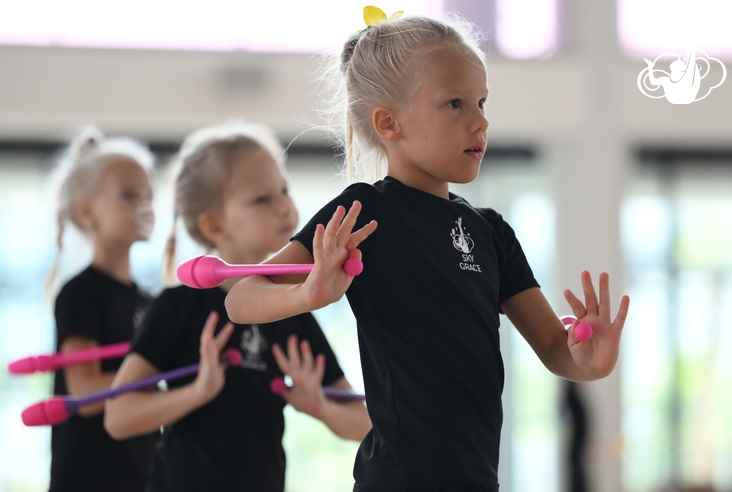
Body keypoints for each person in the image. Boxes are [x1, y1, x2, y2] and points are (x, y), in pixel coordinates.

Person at [225, 11, 631, 492]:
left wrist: (590, 361)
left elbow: (553, 348)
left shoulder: (492, 232)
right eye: (455, 104)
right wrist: (309, 294)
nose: (480, 121)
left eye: (481, 102)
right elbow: (241, 296)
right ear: (389, 123)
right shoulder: (362, 210)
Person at [104, 122, 371, 492]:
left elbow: (366, 425)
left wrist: (320, 407)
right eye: (262, 199)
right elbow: (119, 417)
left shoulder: (293, 309)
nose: (284, 207)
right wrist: (197, 392)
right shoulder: (178, 307)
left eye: (284, 190)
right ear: (214, 226)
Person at [46, 127, 159, 492]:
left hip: (140, 473)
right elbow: (84, 393)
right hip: (88, 475)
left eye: (148, 196)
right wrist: (157, 367)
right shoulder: (80, 294)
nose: (144, 206)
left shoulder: (148, 302)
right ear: (86, 211)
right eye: (129, 195)